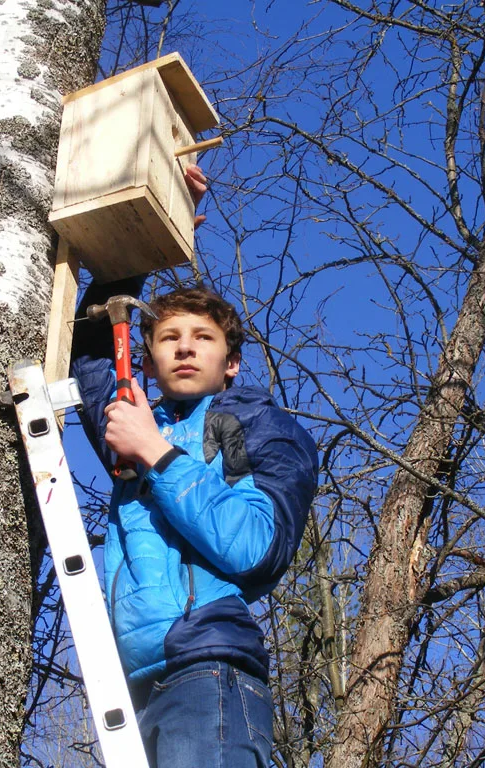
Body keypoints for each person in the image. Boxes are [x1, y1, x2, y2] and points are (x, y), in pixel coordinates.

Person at [69, 167, 318, 768]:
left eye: (202, 338)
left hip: (207, 671)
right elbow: (94, 349)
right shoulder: (134, 418)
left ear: (231, 364)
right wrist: (156, 229)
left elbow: (257, 545)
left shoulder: (248, 426)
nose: (183, 347)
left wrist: (155, 452)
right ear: (148, 363)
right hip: (127, 690)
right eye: (168, 337)